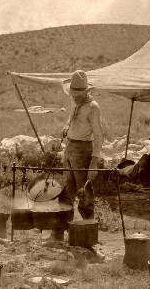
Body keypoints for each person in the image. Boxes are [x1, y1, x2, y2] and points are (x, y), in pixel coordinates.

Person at [52, 70, 103, 240]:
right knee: (66, 191)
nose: (74, 97)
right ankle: (59, 231)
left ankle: (89, 233)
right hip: (70, 148)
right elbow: (70, 121)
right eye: (73, 94)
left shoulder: (93, 107)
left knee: (85, 194)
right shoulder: (76, 105)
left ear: (86, 92)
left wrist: (94, 163)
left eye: (77, 94)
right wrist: (66, 129)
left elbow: (98, 136)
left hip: (83, 151)